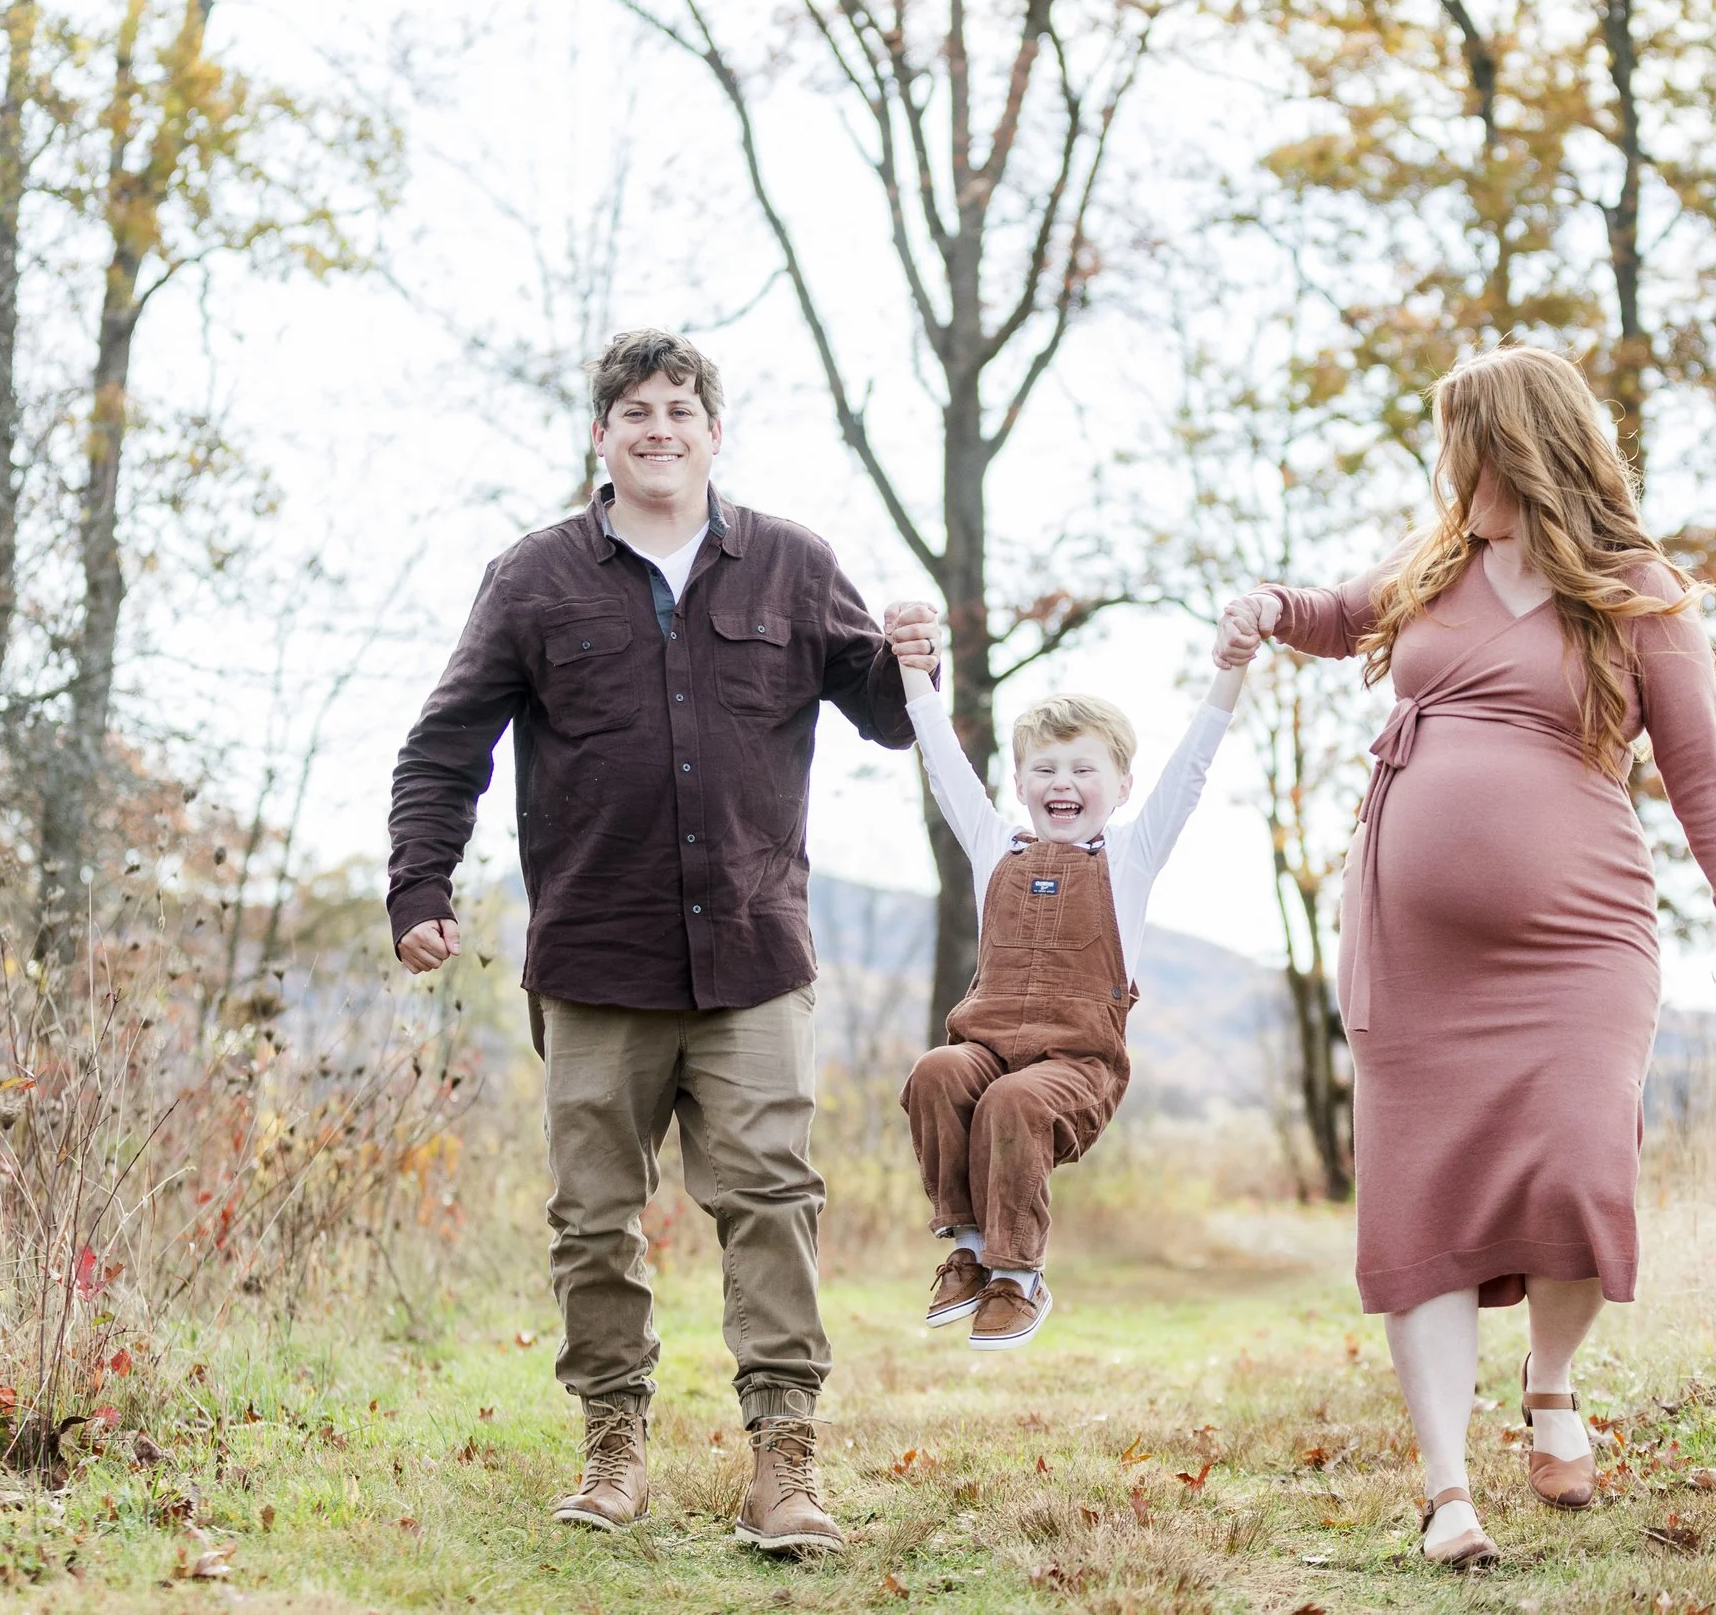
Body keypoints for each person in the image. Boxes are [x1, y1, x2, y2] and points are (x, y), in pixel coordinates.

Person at [1217, 345, 1716, 1567]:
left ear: (1516, 446)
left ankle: (1552, 1377)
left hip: (1583, 942)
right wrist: (1269, 607)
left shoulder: (1639, 597)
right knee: (1420, 1196)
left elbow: (1703, 783)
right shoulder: (1436, 564)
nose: (1447, 467)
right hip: (1415, 948)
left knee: (1583, 1173)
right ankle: (1445, 1492)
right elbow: (1332, 616)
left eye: (1460, 441)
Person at [386, 329, 932, 1554]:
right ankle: (613, 1442)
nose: (658, 427)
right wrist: (418, 882)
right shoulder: (532, 579)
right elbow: (444, 743)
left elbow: (888, 719)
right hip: (597, 956)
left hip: (751, 955)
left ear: (712, 431)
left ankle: (785, 1461)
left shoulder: (793, 565)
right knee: (593, 1216)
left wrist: (913, 662)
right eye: (634, 409)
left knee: (773, 1199)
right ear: (603, 434)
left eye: (680, 407)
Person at [883, 601, 1250, 1349]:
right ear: (1019, 782)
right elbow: (946, 770)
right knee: (936, 1071)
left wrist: (1230, 671)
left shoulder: (1131, 859)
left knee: (1013, 1103)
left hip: (1076, 1065)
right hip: (987, 1047)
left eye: (1085, 769)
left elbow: (1193, 769)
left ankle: (1018, 1277)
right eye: (1045, 768)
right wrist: (915, 677)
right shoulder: (995, 847)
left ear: (1120, 786)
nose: (1063, 781)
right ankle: (968, 1245)